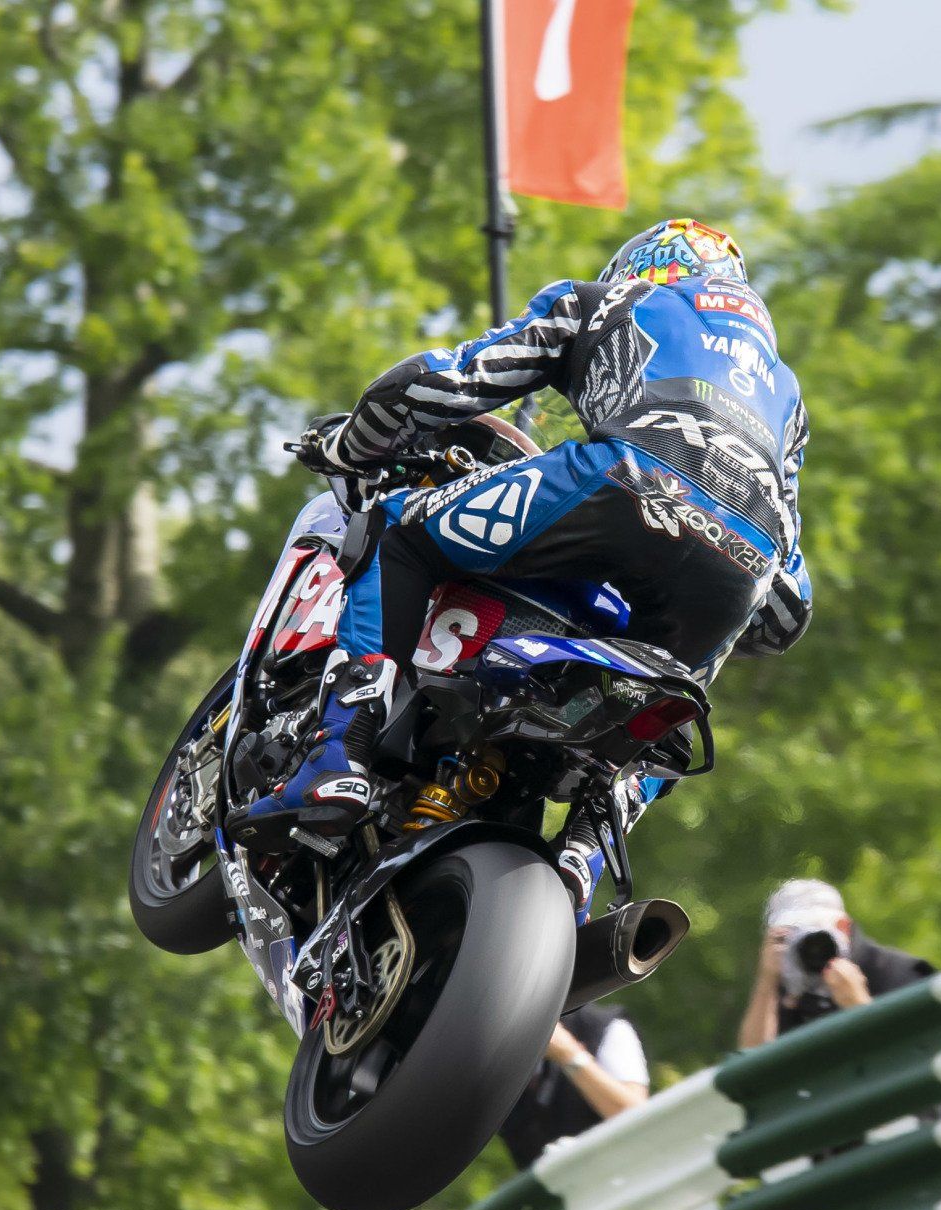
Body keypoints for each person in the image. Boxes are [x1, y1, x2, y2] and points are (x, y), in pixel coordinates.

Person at [230, 218, 813, 901]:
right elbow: (789, 608)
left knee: (396, 531)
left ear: (642, 266)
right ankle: (583, 860)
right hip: (747, 562)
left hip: (623, 485)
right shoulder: (785, 393)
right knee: (670, 709)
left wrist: (354, 445)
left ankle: (341, 750)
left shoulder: (609, 302)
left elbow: (446, 382)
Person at [737, 880, 934, 1048]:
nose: (811, 945)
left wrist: (860, 1007)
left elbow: (926, 1054)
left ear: (844, 927)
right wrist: (766, 982)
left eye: (818, 930)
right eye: (793, 933)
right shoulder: (780, 983)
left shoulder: (897, 973)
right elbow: (751, 1069)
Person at [497, 1007, 650, 1170]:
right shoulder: (499, 1056)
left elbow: (638, 1120)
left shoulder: (606, 1028)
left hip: (625, 1178)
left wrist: (568, 1053)